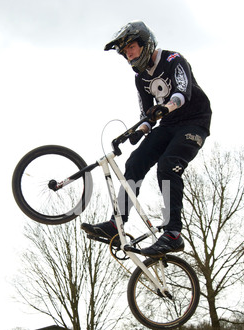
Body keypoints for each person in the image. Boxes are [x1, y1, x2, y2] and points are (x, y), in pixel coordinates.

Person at [81, 21, 212, 258]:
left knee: (167, 167)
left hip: (195, 122)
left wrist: (164, 109)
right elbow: (147, 115)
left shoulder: (173, 60)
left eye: (131, 47)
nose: (128, 54)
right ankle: (116, 223)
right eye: (125, 51)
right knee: (135, 162)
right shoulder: (140, 78)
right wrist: (137, 131)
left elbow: (182, 93)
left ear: (145, 43)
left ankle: (173, 234)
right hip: (169, 125)